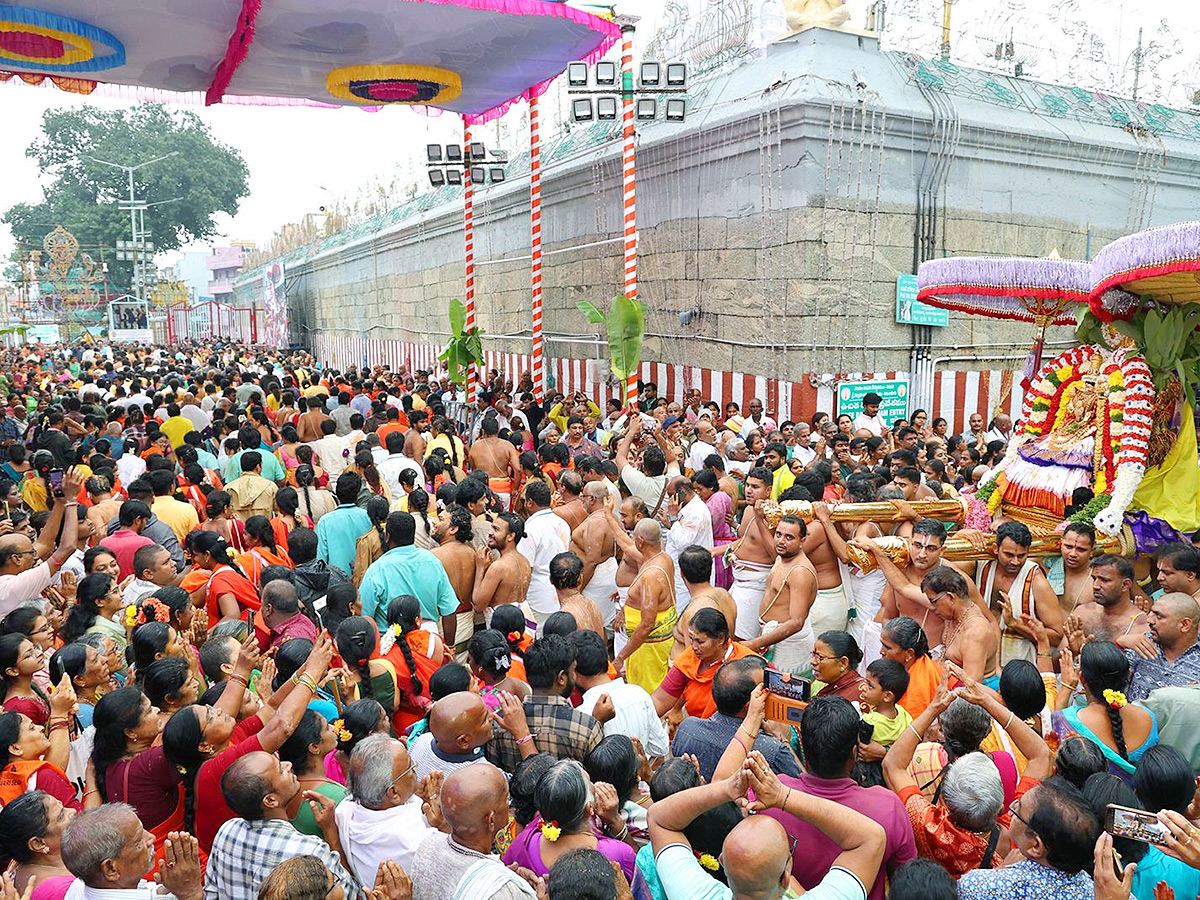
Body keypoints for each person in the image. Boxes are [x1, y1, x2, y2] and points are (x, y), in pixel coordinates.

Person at [648, 751, 887, 900]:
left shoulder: (696, 894)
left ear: (721, 860)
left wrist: (726, 788)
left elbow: (659, 819)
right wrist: (782, 796)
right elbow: (871, 838)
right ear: (786, 877)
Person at [762, 694, 916, 900]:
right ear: (855, 752)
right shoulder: (888, 806)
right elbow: (905, 881)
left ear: (805, 750)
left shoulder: (771, 798)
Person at [203, 750, 360, 900]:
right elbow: (350, 893)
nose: (288, 764)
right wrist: (330, 830)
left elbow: (211, 893)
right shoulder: (310, 851)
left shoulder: (227, 832)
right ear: (271, 801)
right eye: (280, 770)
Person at [502, 759, 641, 888]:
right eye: (591, 783)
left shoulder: (522, 843)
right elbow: (643, 883)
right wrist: (615, 820)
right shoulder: (617, 854)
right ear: (590, 808)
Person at [957, 777, 1099, 900]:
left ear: (1036, 846)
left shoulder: (979, 886)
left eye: (1018, 811)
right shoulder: (1097, 892)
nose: (1011, 810)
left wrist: (1000, 872)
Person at [409, 764, 538, 900]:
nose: (509, 804)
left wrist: (504, 872)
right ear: (491, 820)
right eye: (506, 799)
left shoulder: (427, 845)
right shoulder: (503, 893)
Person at [486, 634, 603, 774]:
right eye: (573, 671)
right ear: (561, 678)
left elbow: (496, 775)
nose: (575, 677)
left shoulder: (499, 722)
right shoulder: (586, 727)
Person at [334, 734, 441, 885]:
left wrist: (418, 800)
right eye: (411, 768)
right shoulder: (414, 844)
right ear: (393, 793)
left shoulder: (346, 809)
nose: (415, 769)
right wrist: (442, 823)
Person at [671, 658, 798, 782]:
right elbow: (802, 789)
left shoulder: (687, 729)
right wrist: (781, 738)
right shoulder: (772, 751)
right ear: (751, 706)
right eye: (764, 690)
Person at [1053, 640, 1159, 781]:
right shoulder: (1148, 717)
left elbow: (1053, 747)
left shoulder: (1067, 718)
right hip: (1133, 802)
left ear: (1082, 678)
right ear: (1128, 675)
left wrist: (1066, 687)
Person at [60, 804, 203, 900]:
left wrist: (167, 889)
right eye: (139, 839)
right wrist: (191, 893)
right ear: (111, 869)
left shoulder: (82, 885)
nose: (151, 838)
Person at [358, 512, 459, 643]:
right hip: (429, 645)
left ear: (387, 536)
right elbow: (449, 611)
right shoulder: (432, 562)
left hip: (390, 647)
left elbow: (364, 617)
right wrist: (449, 648)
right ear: (412, 535)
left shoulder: (377, 570)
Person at [976, 520, 1064, 662]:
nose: (1015, 562)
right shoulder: (981, 565)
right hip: (982, 662)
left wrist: (1015, 624)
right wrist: (964, 534)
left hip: (1021, 670)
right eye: (1009, 555)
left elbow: (1056, 636)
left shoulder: (1037, 582)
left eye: (1021, 556)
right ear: (995, 548)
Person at [573, 630, 669, 758]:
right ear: (607, 660)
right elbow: (661, 747)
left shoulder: (581, 715)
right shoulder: (639, 693)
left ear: (574, 673)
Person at [653, 608, 756, 721]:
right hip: (698, 727)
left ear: (721, 639)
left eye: (700, 642)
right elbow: (660, 700)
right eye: (691, 639)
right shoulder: (689, 657)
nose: (694, 647)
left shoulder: (747, 662)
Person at [744, 515, 816, 674]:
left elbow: (796, 622)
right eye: (778, 534)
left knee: (783, 693)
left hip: (789, 646)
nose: (781, 541)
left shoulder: (800, 572)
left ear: (802, 541)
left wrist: (755, 643)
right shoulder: (782, 558)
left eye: (789, 537)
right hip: (771, 636)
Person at [615, 519, 677, 693]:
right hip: (648, 644)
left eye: (634, 537)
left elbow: (647, 623)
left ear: (640, 541)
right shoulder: (663, 557)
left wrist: (621, 657)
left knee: (650, 694)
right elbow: (624, 541)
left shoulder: (652, 574)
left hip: (649, 648)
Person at [922, 565, 999, 687]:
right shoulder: (952, 616)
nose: (932, 607)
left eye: (934, 601)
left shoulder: (975, 632)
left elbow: (971, 687)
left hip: (976, 693)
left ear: (951, 597)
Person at [727, 468, 777, 641]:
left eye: (755, 487)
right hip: (738, 582)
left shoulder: (774, 515)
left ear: (768, 491)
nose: (748, 490)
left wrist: (761, 519)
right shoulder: (748, 509)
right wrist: (717, 551)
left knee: (742, 640)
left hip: (754, 587)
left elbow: (776, 557)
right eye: (747, 485)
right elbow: (743, 541)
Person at [1125, 591, 1200, 701]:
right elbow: (1111, 682)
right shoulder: (1142, 643)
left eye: (1159, 616)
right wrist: (1119, 643)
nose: (1149, 620)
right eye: (1151, 613)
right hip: (1132, 717)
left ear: (1184, 625)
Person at [518, 480, 571, 627]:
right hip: (559, 593)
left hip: (538, 597)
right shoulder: (562, 524)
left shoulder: (529, 529)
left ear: (530, 503)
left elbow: (526, 568)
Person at [673, 545, 738, 660]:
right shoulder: (725, 595)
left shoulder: (694, 614)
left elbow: (694, 660)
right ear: (710, 569)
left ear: (682, 574)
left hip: (696, 675)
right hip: (723, 665)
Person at [879, 616, 943, 719]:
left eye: (887, 647)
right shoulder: (903, 668)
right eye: (882, 644)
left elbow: (912, 728)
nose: (881, 651)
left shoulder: (919, 683)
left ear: (909, 654)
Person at [473, 514, 532, 621]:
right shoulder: (525, 561)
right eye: (492, 527)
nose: (490, 533)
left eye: (496, 529)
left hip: (501, 627)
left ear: (510, 536)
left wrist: (480, 568)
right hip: (519, 625)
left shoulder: (498, 567)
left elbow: (478, 606)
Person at [315, 473, 373, 577]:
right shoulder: (368, 517)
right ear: (358, 494)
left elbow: (321, 559)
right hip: (364, 579)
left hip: (337, 582)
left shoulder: (325, 521)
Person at [810, 631, 867, 701]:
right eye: (813, 655)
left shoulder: (861, 694)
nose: (813, 662)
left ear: (843, 663)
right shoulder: (821, 683)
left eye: (820, 657)